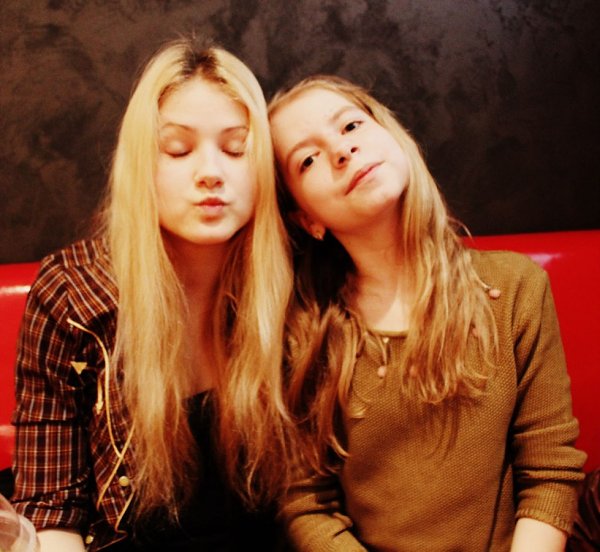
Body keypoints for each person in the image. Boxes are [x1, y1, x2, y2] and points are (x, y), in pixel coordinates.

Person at [268, 75, 587, 551]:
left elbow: (550, 473)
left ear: (393, 135)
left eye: (351, 126)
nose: (341, 150)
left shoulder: (516, 287)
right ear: (306, 218)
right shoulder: (302, 335)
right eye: (308, 159)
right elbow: (307, 505)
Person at [11, 37, 294, 551]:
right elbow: (52, 509)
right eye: (178, 150)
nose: (211, 173)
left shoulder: (294, 282)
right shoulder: (72, 294)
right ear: (141, 163)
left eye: (236, 149)